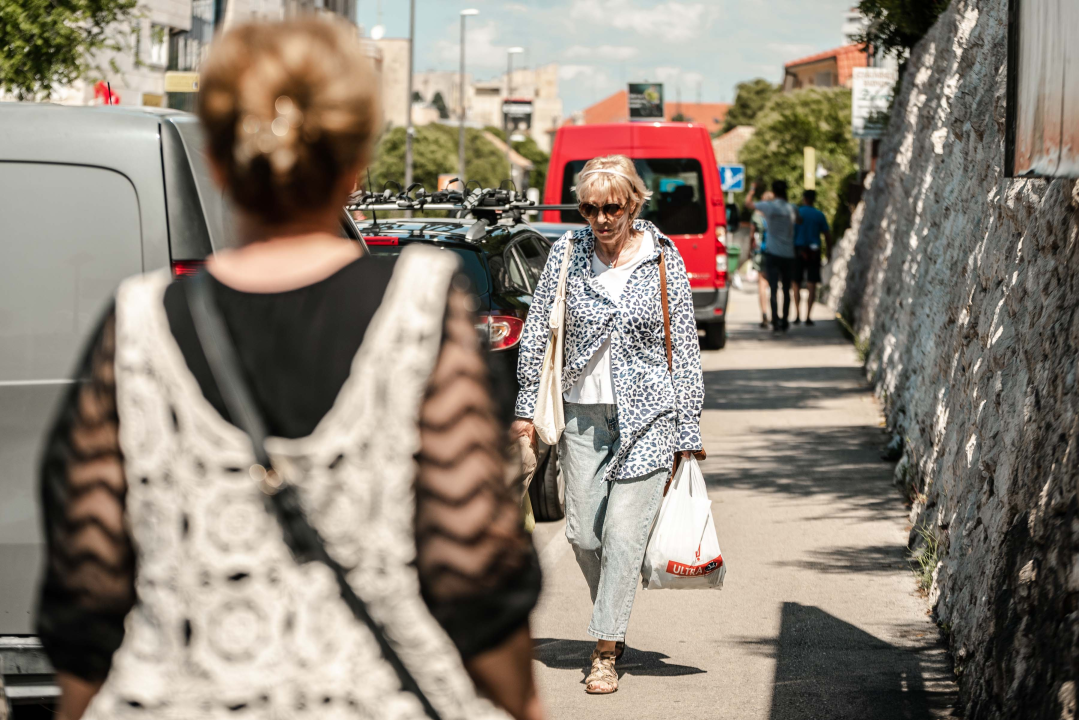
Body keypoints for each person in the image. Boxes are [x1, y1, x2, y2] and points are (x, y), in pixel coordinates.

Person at [36, 18, 543, 720]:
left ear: (217, 163)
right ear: (355, 161)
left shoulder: (139, 320)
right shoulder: (421, 309)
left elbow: (86, 584)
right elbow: (473, 567)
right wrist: (521, 701)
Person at [510, 155, 704, 695]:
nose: (600, 219)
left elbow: (685, 348)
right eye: (589, 208)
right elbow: (537, 331)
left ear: (634, 204)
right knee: (582, 534)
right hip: (581, 413)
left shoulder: (663, 257)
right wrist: (525, 410)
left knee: (620, 533)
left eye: (612, 207)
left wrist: (688, 431)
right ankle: (614, 609)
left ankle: (604, 651)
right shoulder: (567, 253)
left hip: (651, 415)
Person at [745, 180, 797, 332]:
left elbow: (748, 204)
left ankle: (775, 320)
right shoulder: (792, 208)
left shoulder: (769, 207)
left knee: (773, 288)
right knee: (786, 289)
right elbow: (799, 220)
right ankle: (785, 320)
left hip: (773, 253)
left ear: (773, 192)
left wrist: (752, 189)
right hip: (788, 253)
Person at [791, 189, 833, 326]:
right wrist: (829, 251)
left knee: (796, 283)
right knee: (812, 284)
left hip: (798, 251)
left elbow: (791, 233)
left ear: (804, 198)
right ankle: (808, 316)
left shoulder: (797, 213)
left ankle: (797, 314)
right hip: (814, 252)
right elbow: (827, 235)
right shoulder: (819, 215)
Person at [749, 192, 773, 329]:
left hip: (761, 253)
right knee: (773, 284)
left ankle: (764, 314)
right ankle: (776, 315)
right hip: (775, 253)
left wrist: (749, 251)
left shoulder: (757, 216)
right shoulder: (776, 215)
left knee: (762, 285)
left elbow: (752, 236)